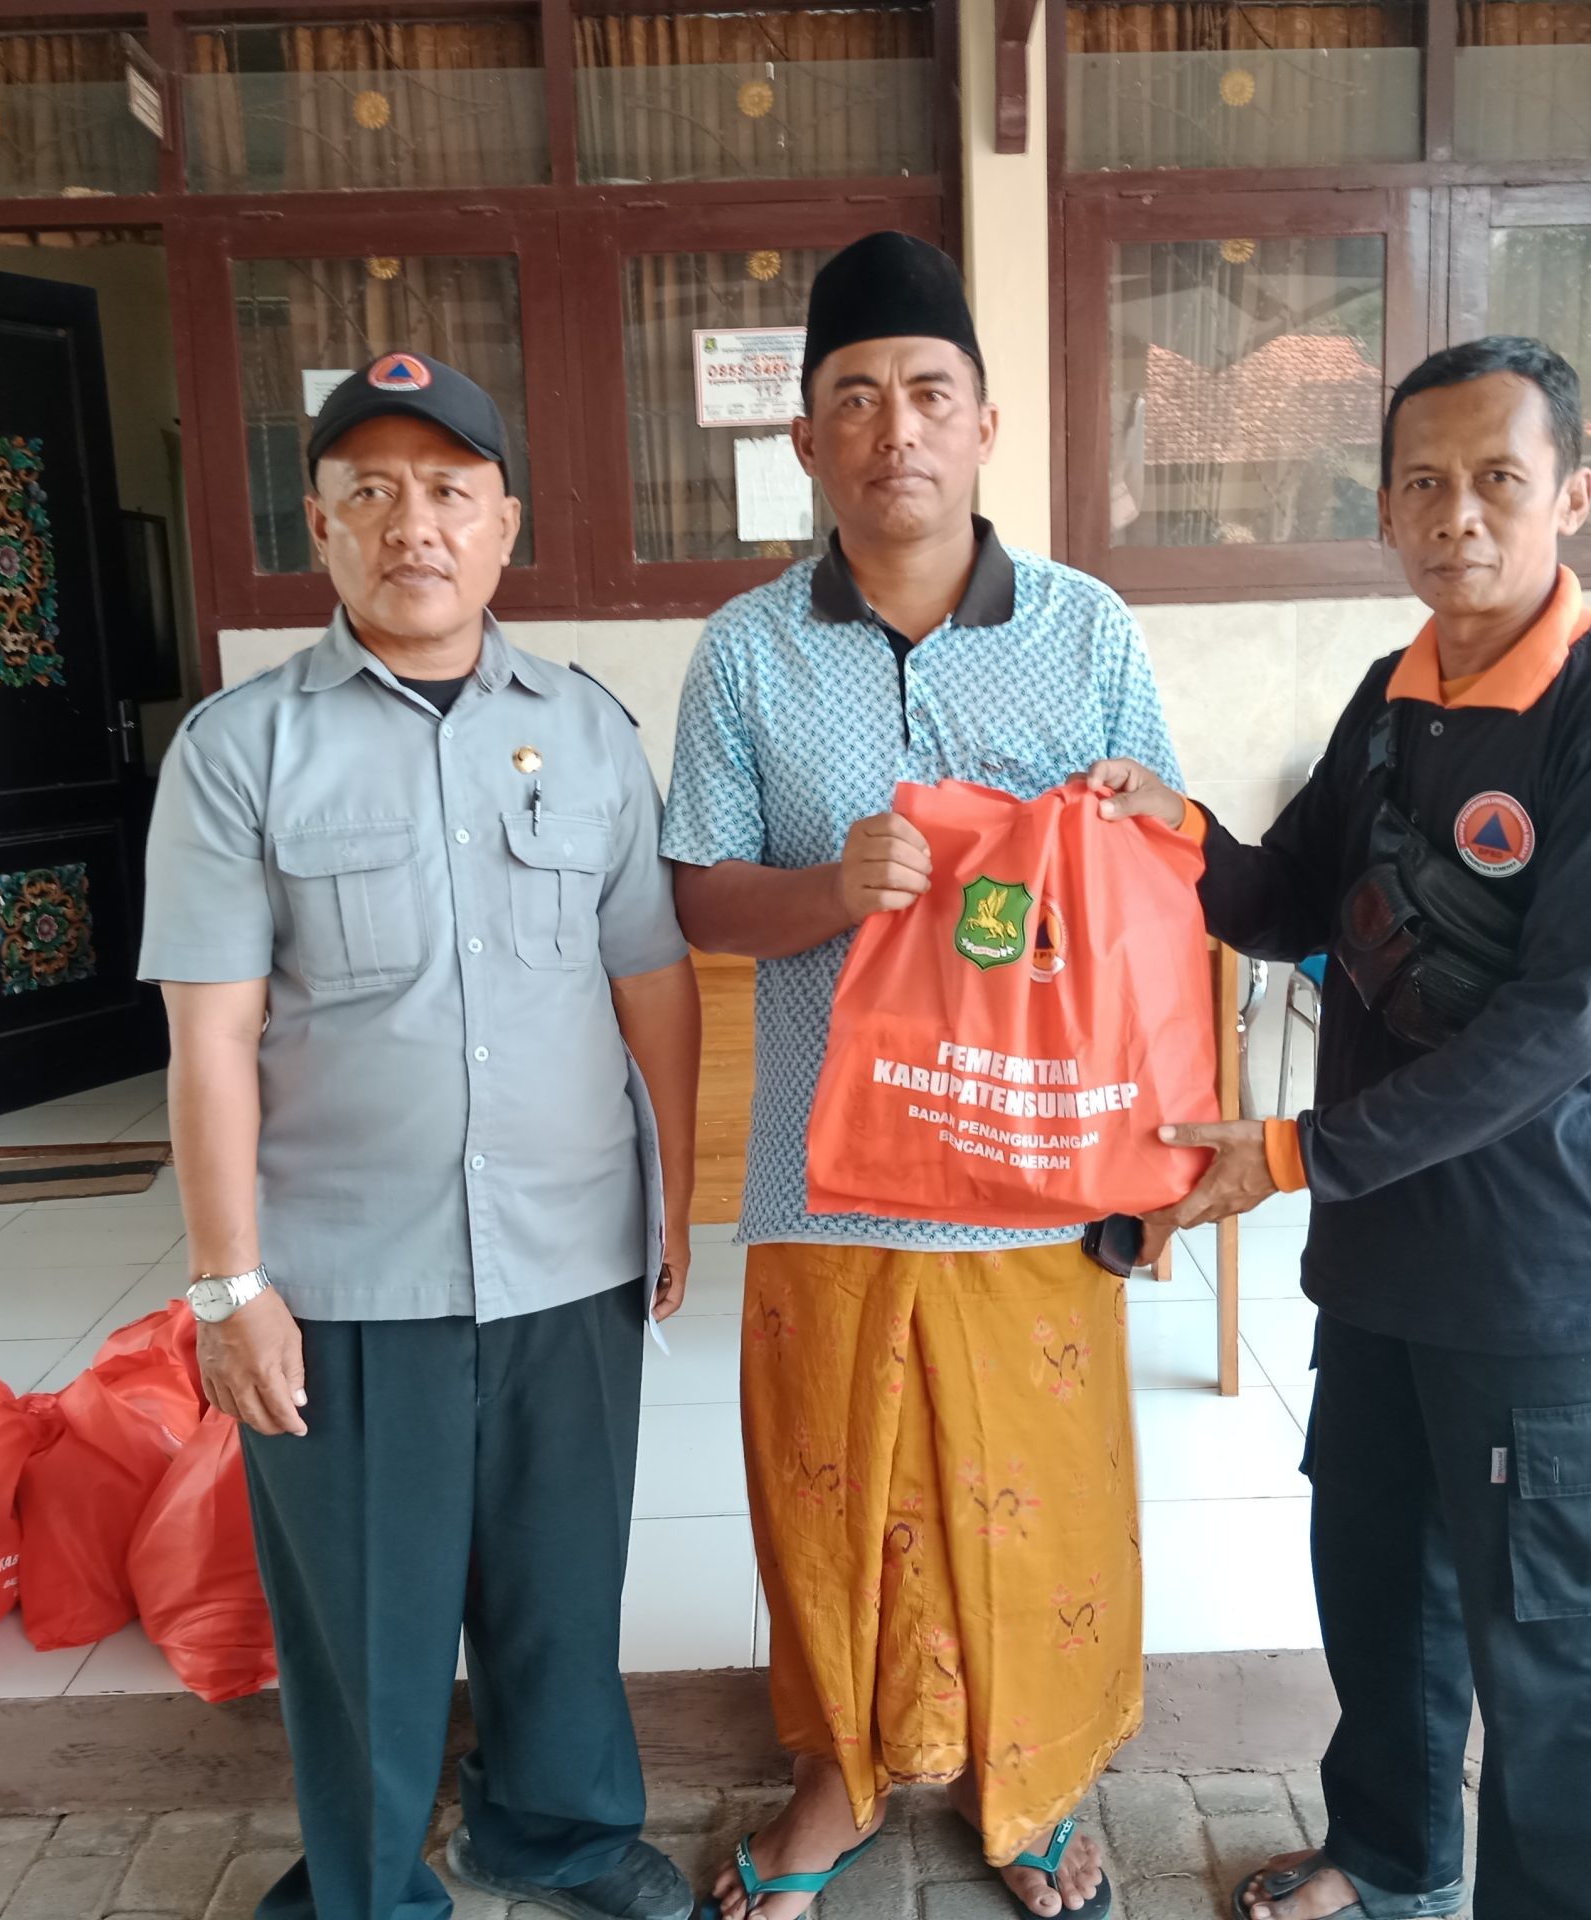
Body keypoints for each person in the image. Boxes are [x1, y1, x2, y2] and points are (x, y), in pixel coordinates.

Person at [1089, 337, 1591, 1920]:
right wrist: (1178, 834)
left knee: (1548, 1639)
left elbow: (1567, 1027)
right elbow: (1290, 898)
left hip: (1534, 1277)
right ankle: (1385, 1854)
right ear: (1383, 508)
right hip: (1379, 1266)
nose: (1459, 517)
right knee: (1378, 1587)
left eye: (1499, 479)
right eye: (1424, 484)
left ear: (1572, 493)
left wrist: (1295, 1154)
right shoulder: (1391, 696)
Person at [138, 350, 702, 1920]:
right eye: (371, 493)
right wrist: (228, 1286)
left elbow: (650, 979)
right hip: (347, 1274)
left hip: (569, 1247)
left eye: (450, 490)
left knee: (560, 1587)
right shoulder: (240, 750)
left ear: (505, 523)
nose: (415, 526)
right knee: (368, 1625)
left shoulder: (588, 732)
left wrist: (669, 1198)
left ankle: (554, 1831)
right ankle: (374, 1886)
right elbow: (209, 1037)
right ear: (319, 527)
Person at [663, 231, 1182, 1920]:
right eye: (858, 396)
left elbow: (1163, 881)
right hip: (827, 1171)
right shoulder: (746, 650)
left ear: (987, 425)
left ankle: (1031, 1785)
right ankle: (838, 1773)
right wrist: (831, 891)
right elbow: (697, 895)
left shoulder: (1087, 629)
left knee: (1034, 1502)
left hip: (1035, 1168)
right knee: (834, 1493)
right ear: (805, 437)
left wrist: (1119, 831)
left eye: (931, 393)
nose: (898, 428)